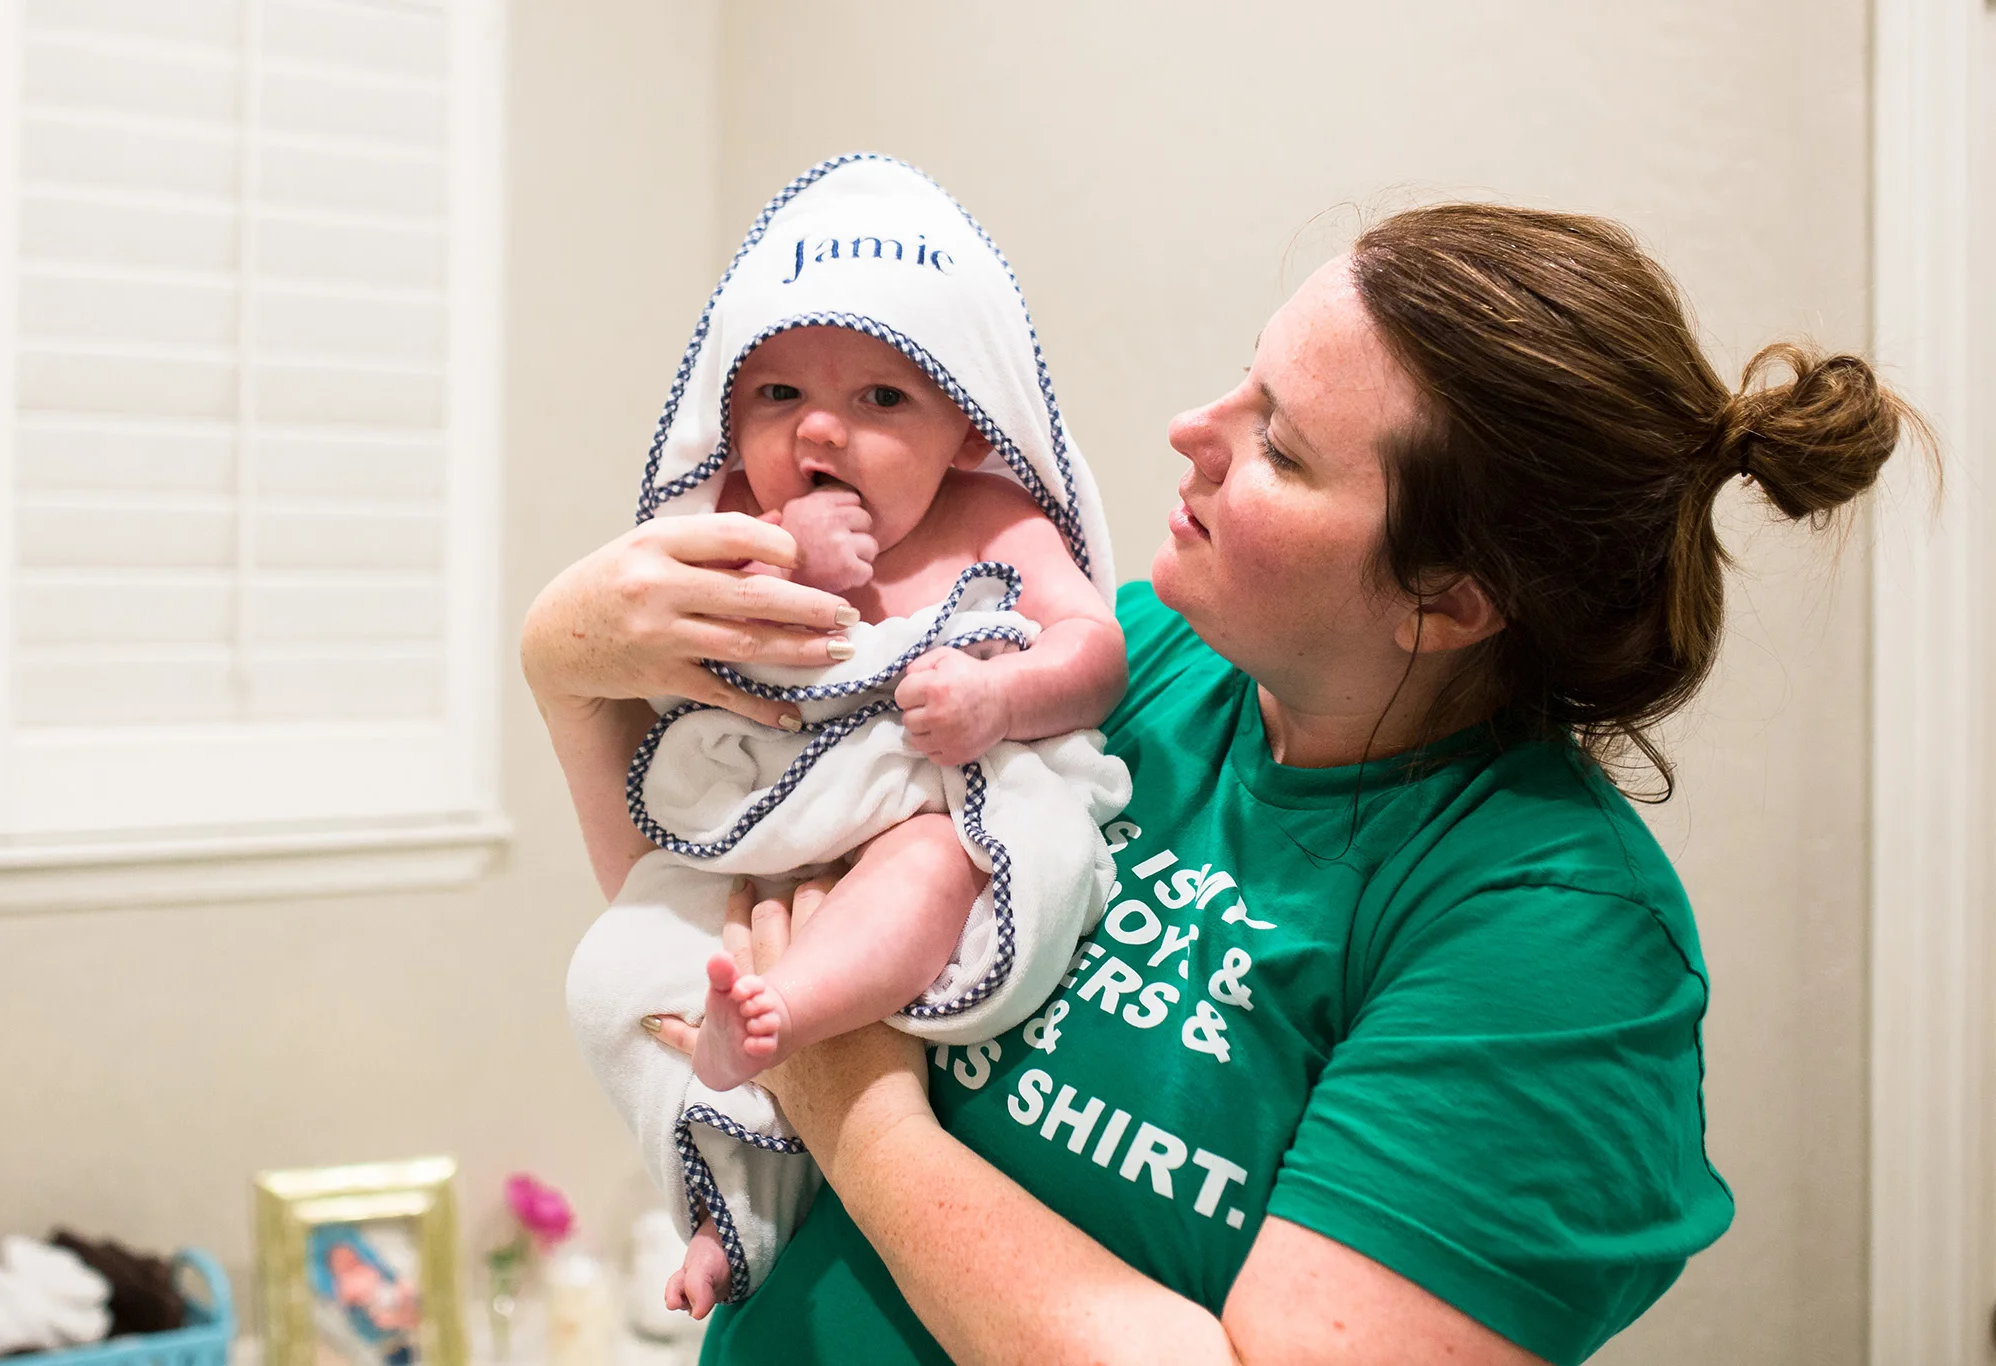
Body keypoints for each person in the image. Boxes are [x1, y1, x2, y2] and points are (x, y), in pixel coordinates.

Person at [523, 202, 1919, 1364]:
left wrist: (860, 1110)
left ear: (1448, 598)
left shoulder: (1554, 940)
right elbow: (735, 898)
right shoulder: (1132, 664)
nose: (1196, 426)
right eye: (1247, 379)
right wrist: (560, 666)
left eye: (1280, 444)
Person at [556, 156, 1132, 1322]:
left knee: (926, 866)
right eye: (776, 398)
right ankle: (727, 1211)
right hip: (770, 824)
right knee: (629, 960)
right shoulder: (731, 525)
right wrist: (788, 568)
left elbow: (1093, 650)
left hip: (927, 800)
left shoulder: (995, 517)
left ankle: (793, 1017)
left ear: (968, 425)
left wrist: (1000, 702)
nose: (821, 425)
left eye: (881, 399)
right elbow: (693, 676)